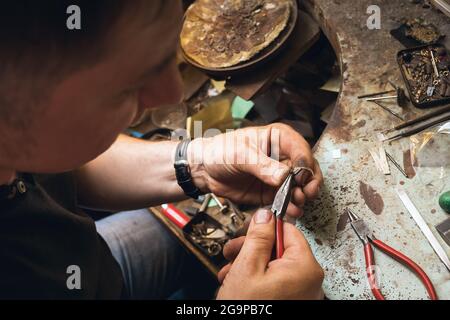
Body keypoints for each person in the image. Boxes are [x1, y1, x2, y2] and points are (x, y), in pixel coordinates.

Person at [0, 0, 324, 299]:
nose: (173, 95)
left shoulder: (23, 141)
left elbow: (59, 160)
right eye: (127, 87)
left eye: (166, 56)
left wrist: (198, 163)